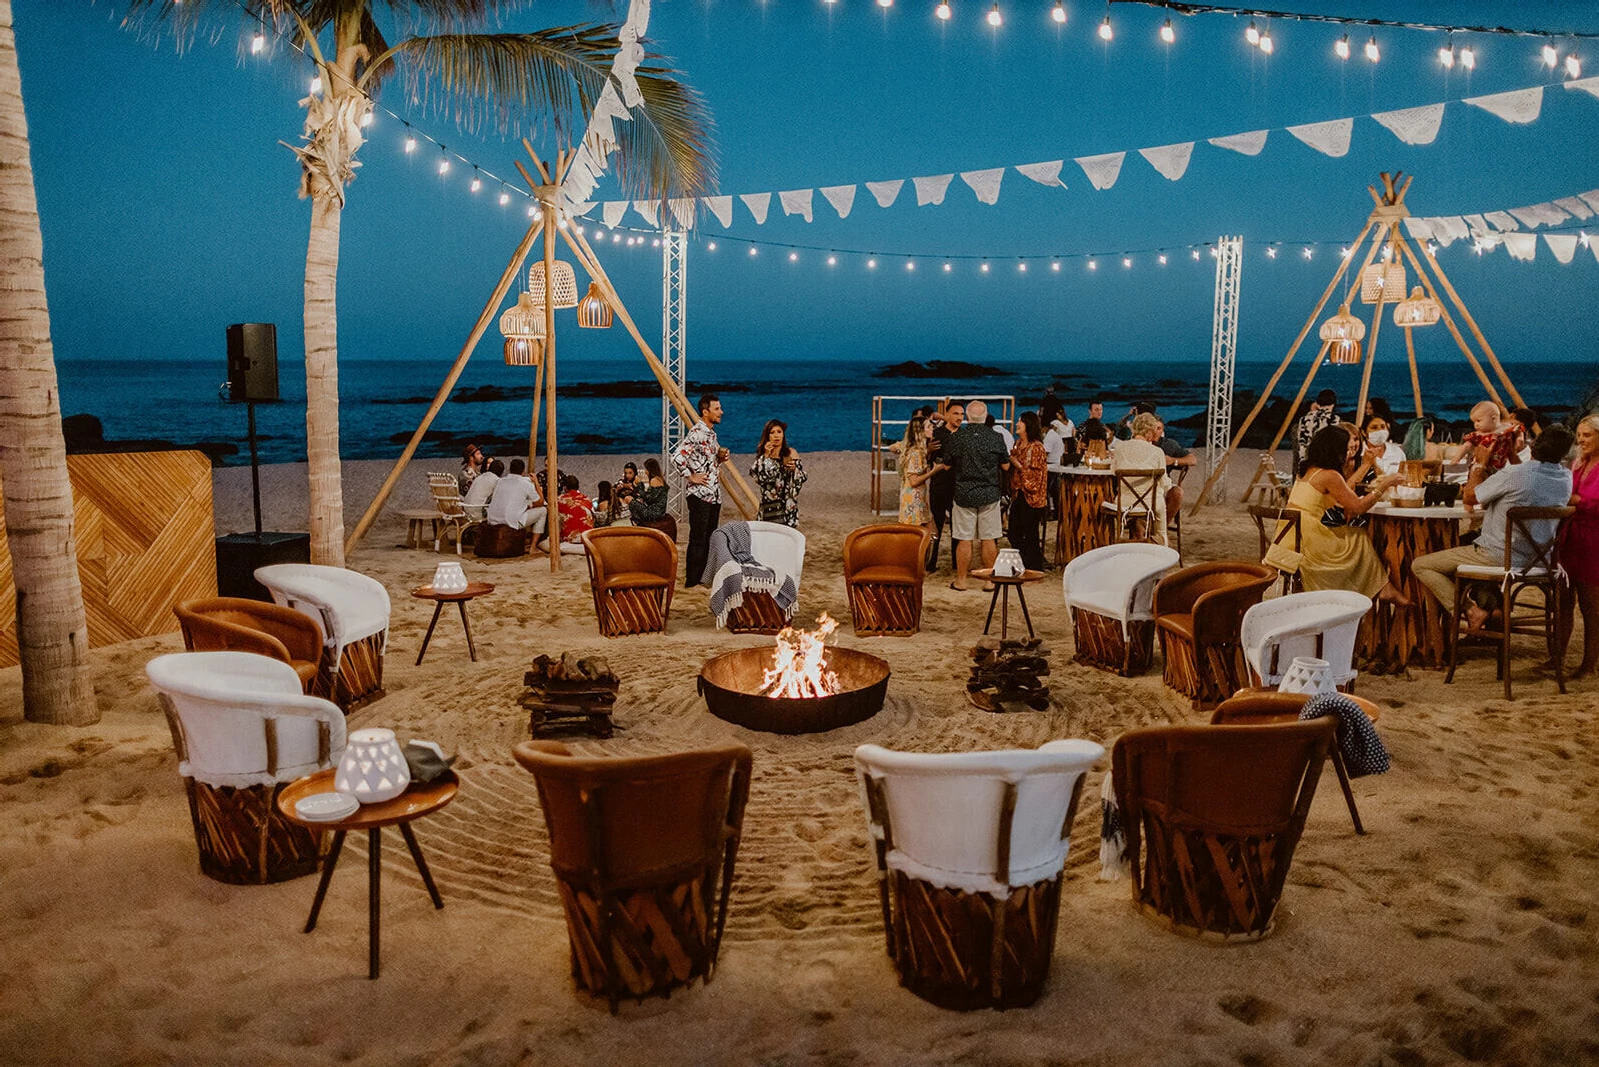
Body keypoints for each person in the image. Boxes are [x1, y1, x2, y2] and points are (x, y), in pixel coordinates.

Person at [1414, 426, 1576, 630]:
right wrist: (1512, 455)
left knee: (1422, 565)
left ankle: (1471, 610)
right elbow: (1530, 475)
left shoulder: (1513, 474)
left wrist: (1479, 463)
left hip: (1499, 556)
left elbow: (1470, 497)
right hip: (1539, 559)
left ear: (1533, 445)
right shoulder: (1565, 478)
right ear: (1563, 453)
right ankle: (1493, 610)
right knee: (1464, 545)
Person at [1285, 425, 1406, 603]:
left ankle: (1380, 588)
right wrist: (1384, 485)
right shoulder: (1329, 475)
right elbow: (1357, 507)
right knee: (1359, 536)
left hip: (1292, 539)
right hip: (1311, 544)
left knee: (1352, 532)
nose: (1348, 452)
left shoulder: (1308, 470)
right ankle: (1380, 589)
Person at [945, 399, 1011, 591]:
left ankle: (962, 580)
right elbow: (1005, 466)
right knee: (988, 538)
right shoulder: (995, 437)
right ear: (985, 416)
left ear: (967, 416)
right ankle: (989, 580)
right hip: (989, 492)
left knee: (964, 538)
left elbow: (948, 464)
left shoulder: (957, 437)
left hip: (964, 492)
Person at [671, 393, 730, 587]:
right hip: (699, 494)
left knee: (710, 537)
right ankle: (692, 580)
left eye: (720, 408)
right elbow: (677, 458)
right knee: (698, 538)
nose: (721, 412)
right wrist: (691, 476)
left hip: (713, 494)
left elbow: (706, 461)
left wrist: (719, 459)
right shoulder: (697, 432)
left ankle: (705, 576)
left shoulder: (711, 433)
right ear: (705, 412)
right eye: (717, 409)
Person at [1558, 415, 1599, 678]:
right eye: (1579, 435)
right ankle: (1556, 657)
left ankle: (1589, 662)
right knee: (1563, 601)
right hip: (1569, 537)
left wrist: (1575, 500)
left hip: (1592, 539)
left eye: (1587, 435)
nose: (1580, 440)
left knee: (1591, 605)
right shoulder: (1577, 463)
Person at [1111, 412, 1178, 540]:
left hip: (1124, 503)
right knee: (1161, 529)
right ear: (1148, 432)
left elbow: (1113, 471)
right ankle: (1157, 544)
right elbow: (1164, 483)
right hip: (1150, 504)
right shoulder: (1157, 452)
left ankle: (1136, 537)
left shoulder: (1119, 447)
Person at [925, 400, 965, 572]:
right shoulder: (938, 433)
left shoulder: (964, 435)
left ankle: (957, 563)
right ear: (947, 415)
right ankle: (931, 561)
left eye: (962, 414)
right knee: (936, 524)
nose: (959, 417)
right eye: (956, 413)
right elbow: (927, 459)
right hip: (940, 484)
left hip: (958, 485)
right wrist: (928, 451)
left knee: (958, 526)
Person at [1008, 412, 1050, 571]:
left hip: (1032, 497)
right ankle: (1023, 563)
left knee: (1030, 534)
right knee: (1014, 532)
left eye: (1020, 421)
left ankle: (1034, 567)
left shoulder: (1037, 447)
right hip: (1019, 493)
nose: (1017, 423)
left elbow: (1036, 476)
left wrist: (1017, 464)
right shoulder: (1018, 444)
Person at [897, 414, 947, 541]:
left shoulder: (917, 451)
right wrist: (934, 470)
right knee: (924, 536)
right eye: (929, 426)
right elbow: (914, 481)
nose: (932, 429)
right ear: (920, 431)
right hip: (914, 501)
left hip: (916, 499)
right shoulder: (916, 453)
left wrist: (928, 451)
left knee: (929, 534)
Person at [749, 419, 807, 527]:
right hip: (769, 508)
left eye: (779, 432)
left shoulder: (791, 453)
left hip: (787, 507)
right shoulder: (762, 458)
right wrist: (767, 457)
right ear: (767, 436)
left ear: (783, 435)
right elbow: (763, 479)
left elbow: (802, 478)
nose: (776, 436)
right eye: (772, 432)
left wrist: (794, 470)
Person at [1448, 401, 1524, 476]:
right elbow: (1466, 446)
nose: (1476, 425)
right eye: (1474, 422)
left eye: (1478, 421)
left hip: (1503, 467)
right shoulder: (1477, 435)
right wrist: (1457, 457)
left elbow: (1519, 432)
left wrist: (1519, 440)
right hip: (1482, 467)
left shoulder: (1507, 429)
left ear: (1493, 419)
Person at [485, 457, 546, 535]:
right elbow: (540, 503)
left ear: (510, 470)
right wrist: (536, 482)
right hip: (510, 522)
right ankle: (533, 546)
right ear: (523, 471)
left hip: (492, 519)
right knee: (543, 510)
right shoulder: (525, 484)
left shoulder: (500, 481)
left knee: (524, 507)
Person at [539, 474, 593, 554]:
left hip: (569, 537)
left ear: (565, 487)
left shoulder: (560, 500)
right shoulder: (587, 499)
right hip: (587, 537)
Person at [1293, 389, 1340, 474]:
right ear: (1333, 404)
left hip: (1305, 458)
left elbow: (1301, 440)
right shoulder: (1334, 419)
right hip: (1326, 460)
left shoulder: (1304, 419)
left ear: (1318, 404)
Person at [630, 458, 671, 526]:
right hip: (658, 512)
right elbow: (650, 497)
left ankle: (638, 522)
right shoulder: (659, 479)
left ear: (650, 470)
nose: (645, 472)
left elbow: (648, 499)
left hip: (654, 513)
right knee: (636, 500)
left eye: (646, 469)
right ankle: (637, 522)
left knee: (629, 499)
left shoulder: (654, 480)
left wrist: (639, 484)